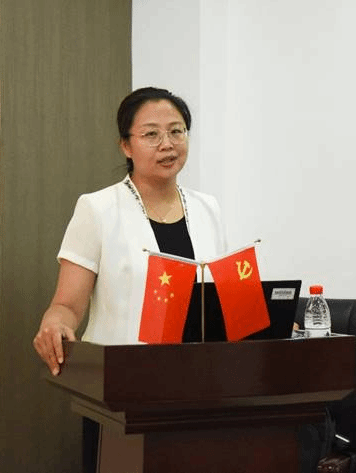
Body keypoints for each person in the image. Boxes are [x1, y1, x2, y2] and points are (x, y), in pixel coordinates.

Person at [33, 86, 227, 375]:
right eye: (151, 134)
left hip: (199, 375)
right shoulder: (98, 208)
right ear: (126, 145)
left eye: (176, 131)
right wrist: (55, 324)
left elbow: (221, 299)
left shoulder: (207, 208)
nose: (167, 144)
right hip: (121, 376)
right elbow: (67, 306)